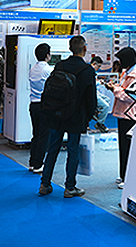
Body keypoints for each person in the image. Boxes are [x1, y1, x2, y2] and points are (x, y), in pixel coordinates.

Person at [39, 35, 96, 198]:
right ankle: (70, 187)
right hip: (76, 117)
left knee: (53, 149)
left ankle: (44, 184)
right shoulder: (87, 70)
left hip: (56, 113)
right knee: (73, 151)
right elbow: (91, 98)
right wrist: (89, 117)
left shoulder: (60, 65)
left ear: (70, 48)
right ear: (84, 49)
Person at [110, 47, 136, 189]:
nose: (120, 63)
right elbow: (123, 90)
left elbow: (129, 95)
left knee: (129, 147)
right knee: (123, 146)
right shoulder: (127, 71)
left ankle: (128, 178)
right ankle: (123, 174)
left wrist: (115, 89)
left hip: (131, 114)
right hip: (122, 112)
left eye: (121, 59)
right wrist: (116, 87)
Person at [27, 43, 53, 173]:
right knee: (44, 136)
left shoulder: (33, 69)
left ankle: (33, 162)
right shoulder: (48, 70)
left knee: (36, 134)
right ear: (47, 55)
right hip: (44, 105)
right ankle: (38, 164)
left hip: (33, 104)